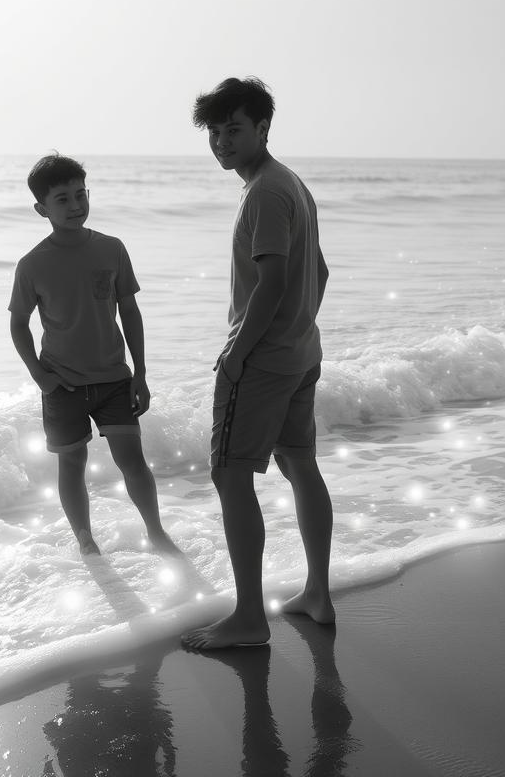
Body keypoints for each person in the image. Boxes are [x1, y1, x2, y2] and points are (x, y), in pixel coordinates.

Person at [182, 77, 335, 651]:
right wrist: (299, 327)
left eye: (234, 130)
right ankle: (317, 593)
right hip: (300, 353)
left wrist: (238, 353)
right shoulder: (290, 183)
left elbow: (272, 281)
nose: (222, 142)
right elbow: (319, 271)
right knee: (299, 464)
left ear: (264, 128)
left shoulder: (264, 192)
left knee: (230, 475)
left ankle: (249, 618)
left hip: (265, 361)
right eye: (214, 133)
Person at [9, 153, 177, 556]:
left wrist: (140, 373)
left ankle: (156, 532)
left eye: (80, 194)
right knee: (71, 464)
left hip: (114, 378)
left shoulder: (112, 249)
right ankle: (85, 541)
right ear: (41, 209)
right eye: (62, 199)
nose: (75, 205)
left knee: (132, 461)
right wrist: (40, 375)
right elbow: (18, 324)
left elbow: (130, 312)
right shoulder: (32, 264)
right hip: (62, 384)